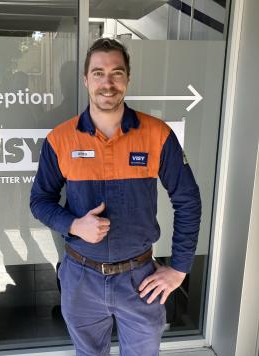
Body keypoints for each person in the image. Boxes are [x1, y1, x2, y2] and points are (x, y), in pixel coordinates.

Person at [30, 38, 201, 356]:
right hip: (80, 277)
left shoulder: (157, 134)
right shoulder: (60, 139)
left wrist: (179, 268)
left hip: (140, 279)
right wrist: (74, 225)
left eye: (116, 73)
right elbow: (40, 200)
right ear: (85, 79)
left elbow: (188, 200)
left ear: (127, 79)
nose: (107, 83)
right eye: (98, 73)